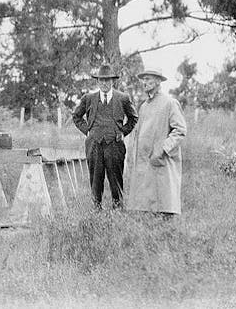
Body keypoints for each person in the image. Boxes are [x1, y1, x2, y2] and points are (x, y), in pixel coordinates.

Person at [72, 64, 138, 209]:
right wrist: (87, 131)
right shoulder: (88, 98)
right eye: (101, 80)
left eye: (107, 80)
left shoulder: (123, 98)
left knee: (116, 179)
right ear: (97, 82)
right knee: (95, 179)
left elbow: (134, 118)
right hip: (94, 145)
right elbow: (76, 116)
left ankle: (118, 209)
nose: (104, 83)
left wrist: (123, 132)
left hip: (115, 144)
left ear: (112, 81)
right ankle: (96, 209)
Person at [126, 68, 187, 217]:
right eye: (143, 79)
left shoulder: (170, 103)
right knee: (144, 208)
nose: (144, 82)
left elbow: (180, 130)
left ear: (158, 81)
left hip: (162, 162)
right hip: (144, 163)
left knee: (164, 205)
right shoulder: (144, 106)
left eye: (148, 79)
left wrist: (163, 149)